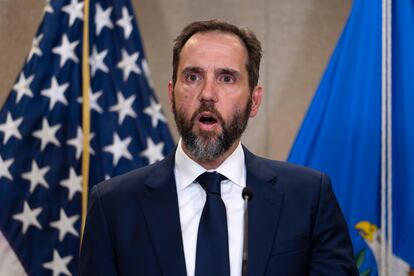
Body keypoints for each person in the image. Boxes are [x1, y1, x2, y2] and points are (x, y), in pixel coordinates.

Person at [79, 20, 358, 276]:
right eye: (192, 77)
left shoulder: (309, 197)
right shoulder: (113, 205)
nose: (208, 94)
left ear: (254, 101)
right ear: (172, 94)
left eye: (227, 78)